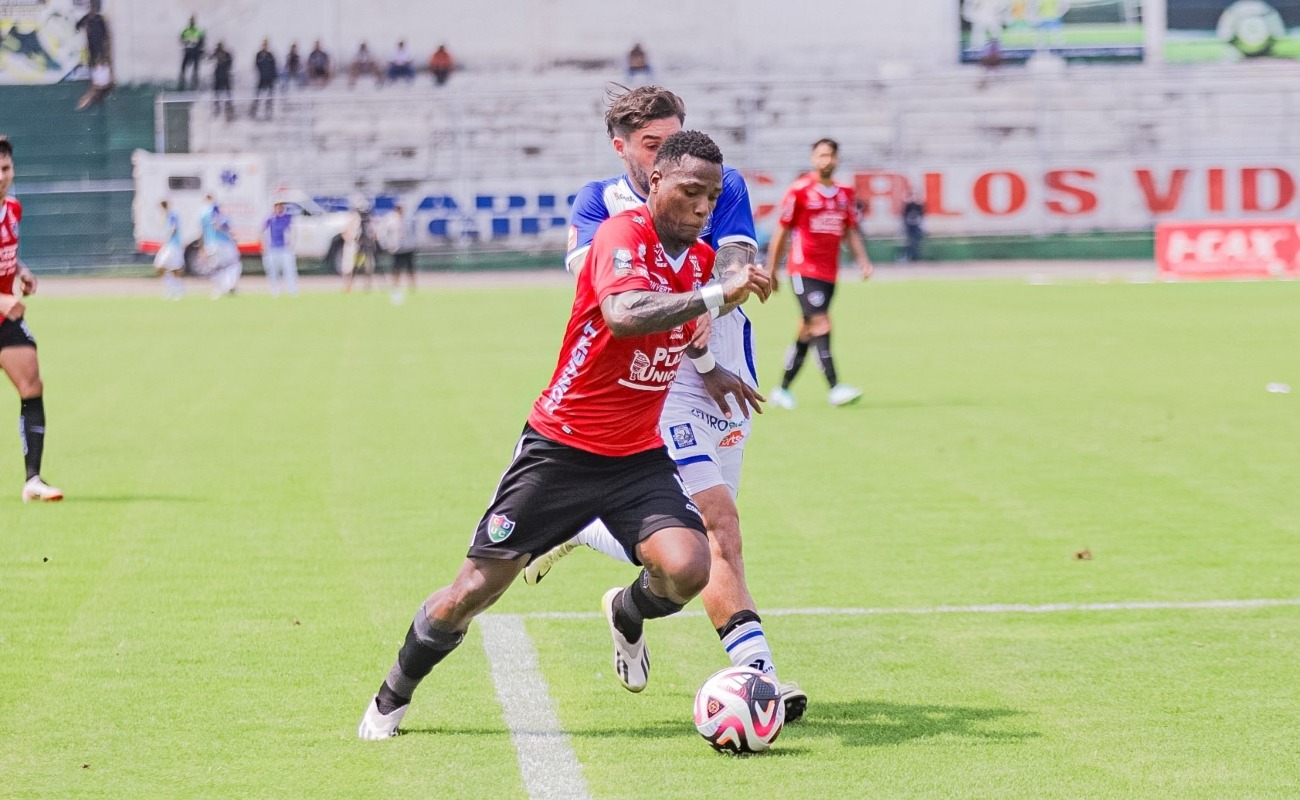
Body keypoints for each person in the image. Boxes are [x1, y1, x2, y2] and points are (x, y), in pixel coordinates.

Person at [357, 130, 772, 740]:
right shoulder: (621, 236)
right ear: (655, 181)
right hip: (561, 450)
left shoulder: (696, 258)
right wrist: (712, 296)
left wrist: (712, 373)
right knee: (472, 591)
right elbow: (624, 316)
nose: (704, 207)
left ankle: (626, 610)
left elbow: (684, 331)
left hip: (637, 457)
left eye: (712, 196)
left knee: (689, 568)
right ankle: (393, 695)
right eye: (691, 192)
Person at [523, 85, 809, 723]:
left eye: (670, 140)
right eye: (650, 144)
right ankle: (759, 679)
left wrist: (722, 299)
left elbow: (736, 254)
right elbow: (607, 295)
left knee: (707, 540)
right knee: (718, 529)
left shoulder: (715, 182)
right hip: (662, 380)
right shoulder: (600, 204)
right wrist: (697, 322)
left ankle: (601, 555)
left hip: (727, 376)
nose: (664, 158)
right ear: (622, 147)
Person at [767, 138, 872, 410]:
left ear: (837, 159)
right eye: (821, 155)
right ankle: (835, 388)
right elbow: (782, 230)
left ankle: (782, 390)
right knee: (822, 323)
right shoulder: (799, 191)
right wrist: (772, 269)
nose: (825, 160)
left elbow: (850, 229)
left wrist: (862, 260)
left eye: (830, 155)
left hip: (829, 272)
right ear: (813, 159)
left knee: (807, 330)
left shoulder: (845, 193)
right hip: (803, 269)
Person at [0, 136, 63, 502]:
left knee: (31, 384)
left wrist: (22, 271)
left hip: (5, 319)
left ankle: (33, 480)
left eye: (5, 168)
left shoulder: (12, 210)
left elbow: (9, 255)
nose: (1, 176)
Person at [200, 195, 241, 297]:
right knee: (233, 264)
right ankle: (229, 285)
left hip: (211, 244)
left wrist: (203, 246)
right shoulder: (221, 217)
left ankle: (220, 288)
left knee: (216, 267)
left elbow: (203, 231)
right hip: (224, 244)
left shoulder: (203, 215)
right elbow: (225, 228)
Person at [261, 202, 298, 297]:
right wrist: (264, 246)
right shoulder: (270, 219)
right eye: (277, 206)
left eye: (281, 206)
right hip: (272, 248)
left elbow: (292, 231)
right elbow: (262, 232)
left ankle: (292, 291)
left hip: (285, 248)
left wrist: (292, 244)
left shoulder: (287, 218)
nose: (279, 208)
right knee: (273, 271)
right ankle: (275, 291)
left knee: (289, 270)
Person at [154, 200, 185, 300]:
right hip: (168, 245)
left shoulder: (172, 215)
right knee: (159, 266)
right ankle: (171, 287)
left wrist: (167, 236)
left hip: (174, 245)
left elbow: (173, 228)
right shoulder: (165, 216)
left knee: (175, 268)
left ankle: (178, 290)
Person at [384, 203, 417, 294]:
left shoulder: (408, 220)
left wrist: (413, 244)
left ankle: (412, 287)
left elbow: (412, 234)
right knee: (396, 269)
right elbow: (387, 235)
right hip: (397, 249)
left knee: (410, 269)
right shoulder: (391, 221)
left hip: (408, 248)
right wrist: (389, 244)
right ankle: (395, 286)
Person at [75, 1, 111, 72]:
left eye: (94, 6)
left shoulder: (100, 19)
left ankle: (100, 70)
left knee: (101, 58)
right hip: (91, 43)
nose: (92, 8)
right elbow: (77, 27)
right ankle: (94, 70)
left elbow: (105, 32)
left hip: (100, 43)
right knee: (93, 58)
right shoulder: (87, 18)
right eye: (91, 6)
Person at [250, 39, 277, 120]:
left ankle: (268, 112)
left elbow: (274, 66)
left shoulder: (270, 55)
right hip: (262, 78)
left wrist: (273, 77)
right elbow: (256, 65)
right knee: (257, 96)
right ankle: (253, 111)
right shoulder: (259, 55)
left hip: (269, 79)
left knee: (269, 97)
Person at [178, 15, 205, 90]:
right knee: (184, 65)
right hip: (188, 50)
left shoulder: (199, 30)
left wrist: (197, 44)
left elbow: (202, 40)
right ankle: (182, 79)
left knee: (196, 67)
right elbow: (181, 38)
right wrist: (186, 42)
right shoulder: (185, 30)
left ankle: (195, 79)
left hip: (196, 51)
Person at [210, 42, 234, 121]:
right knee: (216, 92)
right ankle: (217, 106)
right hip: (218, 76)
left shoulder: (226, 54)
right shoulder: (216, 53)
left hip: (225, 75)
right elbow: (209, 58)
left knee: (227, 92)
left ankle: (229, 106)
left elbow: (230, 62)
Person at [901, 189, 925, 263]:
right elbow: (904, 216)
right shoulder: (908, 206)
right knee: (909, 242)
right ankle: (908, 257)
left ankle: (916, 257)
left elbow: (921, 215)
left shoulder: (918, 206)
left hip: (916, 226)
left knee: (916, 243)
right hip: (910, 226)